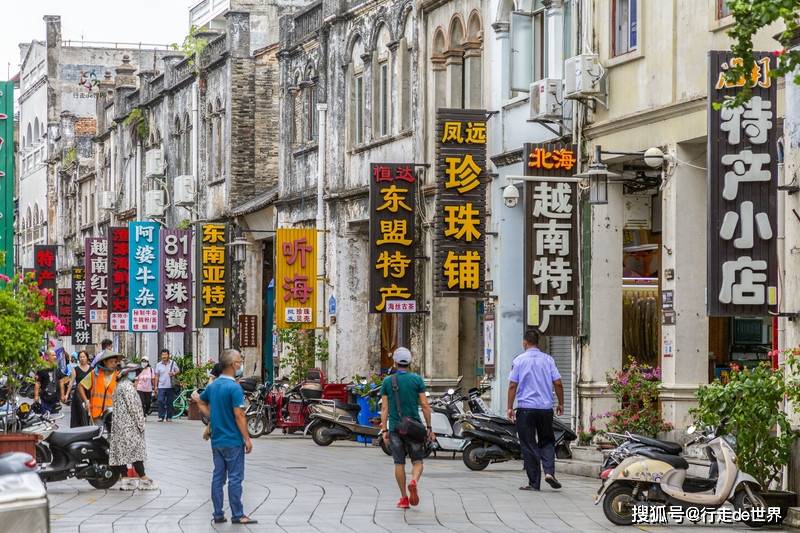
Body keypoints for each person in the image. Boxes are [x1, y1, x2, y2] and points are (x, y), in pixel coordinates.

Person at [196, 349, 257, 525]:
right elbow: (239, 415)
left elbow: (200, 400)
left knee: (218, 477)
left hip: (217, 441)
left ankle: (217, 514)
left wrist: (212, 418)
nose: (240, 364)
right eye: (239, 361)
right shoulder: (234, 387)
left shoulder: (213, 386)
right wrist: (247, 438)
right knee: (235, 478)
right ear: (233, 365)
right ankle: (238, 514)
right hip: (232, 440)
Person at [506, 328, 565, 492]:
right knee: (547, 440)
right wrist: (561, 403)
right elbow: (558, 383)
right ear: (537, 343)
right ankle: (549, 472)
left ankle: (534, 483)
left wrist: (509, 407)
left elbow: (512, 385)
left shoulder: (519, 360)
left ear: (525, 343)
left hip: (525, 409)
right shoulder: (548, 360)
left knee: (528, 443)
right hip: (545, 409)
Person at [379, 347, 435, 510]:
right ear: (410, 362)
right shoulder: (417, 380)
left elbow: (384, 408)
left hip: (396, 428)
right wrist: (429, 427)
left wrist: (384, 430)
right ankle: (414, 481)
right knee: (418, 462)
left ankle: (404, 498)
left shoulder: (388, 381)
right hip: (414, 428)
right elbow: (425, 405)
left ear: (395, 362)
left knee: (399, 463)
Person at [109, 363, 158, 491]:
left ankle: (126, 479)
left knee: (122, 452)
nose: (135, 374)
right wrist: (140, 423)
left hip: (119, 423)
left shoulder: (119, 386)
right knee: (136, 452)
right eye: (133, 372)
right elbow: (134, 408)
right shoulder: (128, 388)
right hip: (129, 424)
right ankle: (143, 478)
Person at [78, 352, 121, 424]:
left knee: (112, 435)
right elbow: (80, 386)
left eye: (115, 362)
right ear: (105, 362)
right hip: (96, 415)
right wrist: (86, 401)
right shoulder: (94, 374)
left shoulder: (119, 375)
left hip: (113, 414)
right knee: (97, 434)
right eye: (111, 362)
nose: (114, 364)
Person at [66, 351, 92, 427]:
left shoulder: (92, 369)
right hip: (78, 394)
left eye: (84, 357)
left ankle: (89, 428)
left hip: (89, 393)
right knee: (82, 411)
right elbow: (71, 382)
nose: (82, 359)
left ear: (87, 358)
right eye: (80, 357)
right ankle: (83, 428)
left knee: (89, 412)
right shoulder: (75, 369)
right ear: (78, 359)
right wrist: (67, 394)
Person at [154, 349, 180, 422]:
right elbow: (156, 376)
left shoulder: (173, 363)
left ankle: (169, 417)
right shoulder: (158, 365)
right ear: (161, 356)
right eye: (163, 355)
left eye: (165, 354)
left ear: (168, 355)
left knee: (170, 402)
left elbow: (178, 370)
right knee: (160, 400)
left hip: (170, 386)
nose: (164, 356)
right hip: (161, 386)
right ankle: (161, 416)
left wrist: (174, 373)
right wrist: (155, 386)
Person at [34, 350, 60, 414]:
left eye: (55, 355)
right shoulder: (41, 369)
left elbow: (60, 381)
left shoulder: (56, 367)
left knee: (54, 417)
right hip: (45, 397)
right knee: (46, 417)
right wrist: (36, 396)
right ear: (47, 357)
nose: (55, 357)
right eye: (53, 355)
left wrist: (62, 394)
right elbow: (37, 383)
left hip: (55, 398)